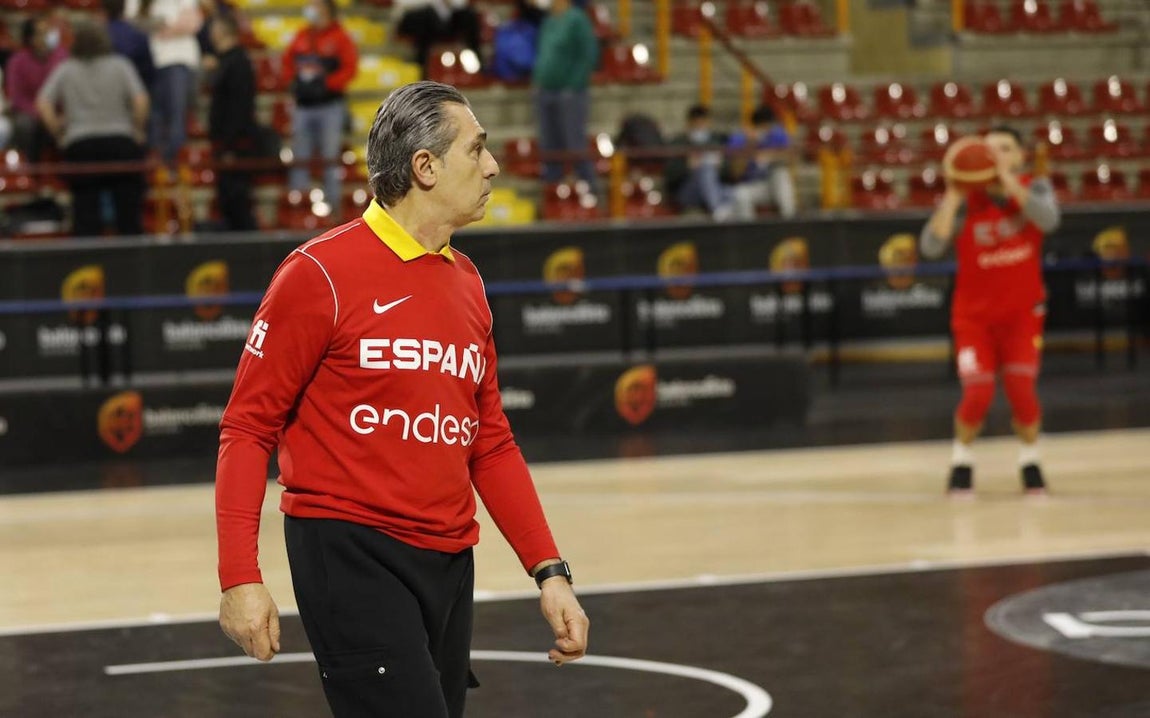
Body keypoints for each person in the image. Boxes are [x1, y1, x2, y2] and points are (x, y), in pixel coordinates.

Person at [215, 81, 589, 717]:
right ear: (425, 166)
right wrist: (239, 577)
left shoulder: (468, 282)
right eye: (477, 149)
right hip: (349, 552)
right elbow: (247, 428)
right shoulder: (319, 273)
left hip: (450, 561)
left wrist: (549, 572)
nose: (493, 166)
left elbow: (489, 440)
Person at [920, 126, 1059, 496]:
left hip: (1022, 315)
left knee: (1022, 391)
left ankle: (1030, 459)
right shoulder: (967, 199)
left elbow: (1048, 220)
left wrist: (1007, 182)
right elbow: (930, 247)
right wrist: (952, 196)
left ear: (1020, 156)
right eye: (990, 149)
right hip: (974, 318)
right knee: (978, 393)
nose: (996, 155)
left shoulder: (1035, 187)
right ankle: (961, 459)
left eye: (1005, 148)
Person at [36, 21, 148, 237]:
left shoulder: (66, 68)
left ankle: (86, 256)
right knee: (129, 218)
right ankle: (133, 257)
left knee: (85, 217)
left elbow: (43, 103)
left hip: (80, 145)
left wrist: (59, 134)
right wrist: (137, 130)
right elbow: (141, 100)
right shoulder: (121, 65)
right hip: (121, 143)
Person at [280, 0, 358, 216]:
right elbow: (287, 62)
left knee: (330, 160)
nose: (311, 9)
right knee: (300, 160)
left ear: (327, 11)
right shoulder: (302, 35)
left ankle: (334, 213)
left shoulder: (340, 37)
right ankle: (299, 210)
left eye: (316, 6)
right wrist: (294, 82)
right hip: (303, 107)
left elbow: (350, 68)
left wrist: (327, 84)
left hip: (329, 106)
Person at [532, 0, 598, 186]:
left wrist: (573, 85)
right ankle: (553, 192)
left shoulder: (577, 19)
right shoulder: (548, 21)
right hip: (545, 91)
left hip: (569, 93)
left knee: (574, 144)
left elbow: (588, 55)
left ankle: (590, 190)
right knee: (549, 146)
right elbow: (544, 53)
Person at [206, 14, 257, 231]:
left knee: (236, 202)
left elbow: (239, 108)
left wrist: (229, 146)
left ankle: (250, 246)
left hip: (235, 147)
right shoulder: (227, 61)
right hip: (227, 145)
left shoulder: (237, 63)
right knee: (228, 202)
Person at [138, 0, 202, 167]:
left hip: (179, 62)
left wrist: (164, 28)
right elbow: (136, 21)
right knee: (155, 117)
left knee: (176, 116)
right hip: (150, 62)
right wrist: (168, 26)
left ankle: (171, 164)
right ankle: (158, 165)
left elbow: (193, 23)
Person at [5, 15, 68, 161]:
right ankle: (29, 166)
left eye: (48, 31)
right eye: (42, 33)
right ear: (30, 38)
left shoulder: (63, 56)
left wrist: (60, 115)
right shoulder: (17, 62)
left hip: (59, 112)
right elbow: (17, 98)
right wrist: (43, 115)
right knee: (24, 125)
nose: (47, 36)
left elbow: (70, 90)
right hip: (31, 114)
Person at [724, 104, 797, 220]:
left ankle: (789, 222)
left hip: (772, 185)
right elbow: (736, 173)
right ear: (755, 126)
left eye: (770, 126)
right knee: (740, 194)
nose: (768, 130)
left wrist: (770, 156)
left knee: (781, 175)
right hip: (751, 186)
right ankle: (750, 229)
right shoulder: (740, 138)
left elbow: (791, 157)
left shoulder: (777, 134)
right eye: (764, 127)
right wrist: (750, 145)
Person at [663, 104, 735, 220]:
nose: (700, 127)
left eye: (703, 123)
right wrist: (687, 166)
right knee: (705, 169)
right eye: (696, 124)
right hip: (686, 192)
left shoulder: (716, 141)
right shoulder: (678, 143)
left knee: (738, 193)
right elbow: (669, 174)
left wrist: (720, 166)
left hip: (714, 188)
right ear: (689, 123)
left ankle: (719, 208)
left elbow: (730, 171)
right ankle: (717, 208)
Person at [394, 0, 483, 73]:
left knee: (469, 16)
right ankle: (421, 71)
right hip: (426, 37)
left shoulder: (463, 13)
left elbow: (462, 5)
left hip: (452, 33)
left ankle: (478, 68)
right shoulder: (422, 13)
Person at [103, 0, 156, 90]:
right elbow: (149, 72)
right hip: (136, 89)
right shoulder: (139, 36)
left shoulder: (97, 36)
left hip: (105, 89)